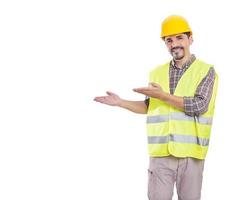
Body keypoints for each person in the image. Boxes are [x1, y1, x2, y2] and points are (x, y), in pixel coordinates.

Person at [93, 15, 218, 200]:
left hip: (191, 155)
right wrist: (121, 102)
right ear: (165, 43)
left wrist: (163, 95)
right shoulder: (156, 73)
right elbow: (149, 106)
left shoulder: (206, 71)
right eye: (169, 40)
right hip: (160, 154)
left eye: (179, 38)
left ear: (190, 39)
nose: (174, 43)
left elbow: (199, 105)